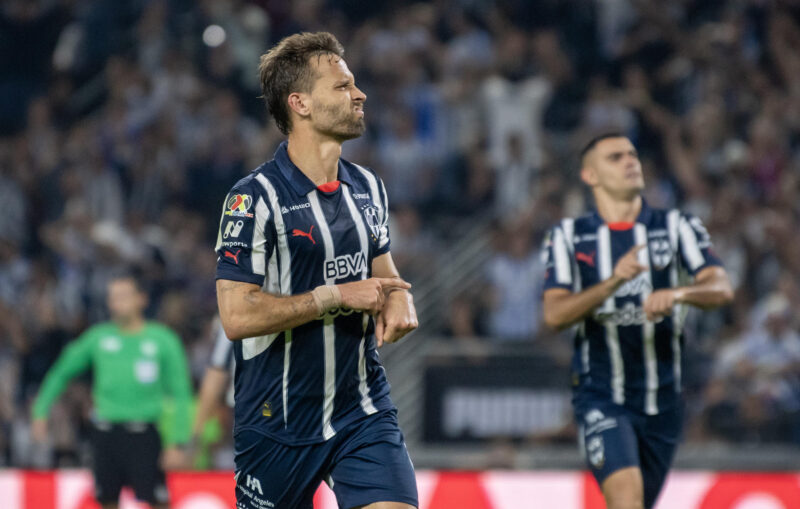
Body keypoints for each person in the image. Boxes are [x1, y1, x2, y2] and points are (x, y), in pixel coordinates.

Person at [215, 32, 418, 509]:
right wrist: (337, 295)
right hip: (276, 421)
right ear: (300, 103)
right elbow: (236, 317)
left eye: (355, 84)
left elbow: (383, 269)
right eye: (342, 86)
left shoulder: (368, 186)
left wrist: (399, 296)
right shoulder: (253, 198)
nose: (359, 94)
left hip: (361, 410)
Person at [541, 133, 734, 509]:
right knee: (626, 499)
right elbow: (555, 314)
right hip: (601, 395)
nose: (631, 162)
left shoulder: (678, 225)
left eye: (633, 154)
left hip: (664, 401)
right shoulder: (568, 237)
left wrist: (679, 293)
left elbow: (722, 287)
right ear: (590, 175)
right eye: (615, 157)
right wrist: (613, 281)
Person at [31, 273, 193, 509]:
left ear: (142, 299)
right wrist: (40, 410)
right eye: (113, 297)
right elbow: (61, 371)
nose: (117, 303)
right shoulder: (98, 338)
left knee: (158, 502)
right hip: (105, 434)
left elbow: (181, 392)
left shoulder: (163, 340)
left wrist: (178, 441)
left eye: (124, 296)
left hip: (145, 435)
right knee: (106, 502)